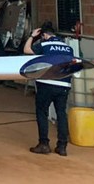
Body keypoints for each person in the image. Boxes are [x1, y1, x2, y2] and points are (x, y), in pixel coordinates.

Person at [24, 21, 74, 157]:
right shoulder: (68, 47)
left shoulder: (44, 45)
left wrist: (32, 36)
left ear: (44, 35)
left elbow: (26, 50)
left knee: (42, 112)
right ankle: (62, 146)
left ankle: (44, 144)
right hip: (64, 84)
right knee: (61, 114)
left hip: (46, 83)